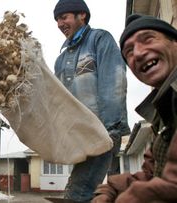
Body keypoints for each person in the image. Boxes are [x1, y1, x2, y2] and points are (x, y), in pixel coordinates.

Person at [92, 14, 177, 203]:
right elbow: (152, 173)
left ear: (175, 43)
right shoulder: (162, 115)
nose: (137, 54)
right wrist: (111, 188)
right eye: (129, 52)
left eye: (148, 39)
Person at [52, 0, 131, 202]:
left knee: (78, 192)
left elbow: (114, 81)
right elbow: (59, 100)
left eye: (63, 17)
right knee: (94, 191)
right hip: (78, 138)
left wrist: (111, 129)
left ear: (82, 16)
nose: (59, 24)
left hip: (102, 131)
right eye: (57, 20)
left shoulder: (99, 39)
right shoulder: (60, 61)